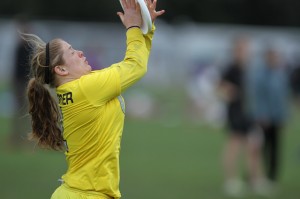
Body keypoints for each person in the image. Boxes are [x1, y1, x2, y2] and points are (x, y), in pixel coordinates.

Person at [21, 0, 165, 198]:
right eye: (72, 52)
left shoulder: (83, 87)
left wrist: (144, 28)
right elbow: (135, 67)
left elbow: (134, 63)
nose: (80, 52)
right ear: (61, 70)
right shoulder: (87, 89)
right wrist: (134, 27)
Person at [219, 36, 267, 197]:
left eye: (246, 49)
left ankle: (255, 180)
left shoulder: (250, 69)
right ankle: (231, 181)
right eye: (241, 49)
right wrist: (229, 91)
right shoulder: (231, 68)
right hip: (236, 113)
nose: (245, 52)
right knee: (234, 146)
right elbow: (221, 88)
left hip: (250, 113)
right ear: (235, 51)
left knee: (254, 148)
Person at [248, 46, 290, 188]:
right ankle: (256, 176)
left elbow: (282, 97)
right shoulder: (260, 75)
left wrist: (284, 116)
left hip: (277, 117)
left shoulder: (280, 74)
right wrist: (261, 114)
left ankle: (272, 177)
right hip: (264, 118)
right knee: (259, 148)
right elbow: (259, 97)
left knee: (275, 148)